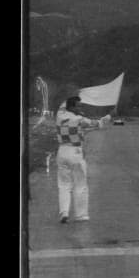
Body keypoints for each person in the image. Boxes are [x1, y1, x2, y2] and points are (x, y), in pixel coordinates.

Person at [55, 95, 112, 223]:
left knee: (63, 185)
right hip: (75, 152)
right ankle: (81, 215)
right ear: (71, 107)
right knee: (80, 185)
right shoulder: (80, 119)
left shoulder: (59, 115)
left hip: (62, 151)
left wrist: (75, 97)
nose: (81, 108)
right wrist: (109, 116)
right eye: (78, 106)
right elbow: (98, 123)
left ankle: (64, 212)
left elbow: (64, 103)